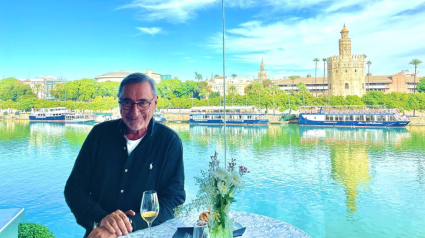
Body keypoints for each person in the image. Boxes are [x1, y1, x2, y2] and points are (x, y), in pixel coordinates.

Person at [64, 73, 185, 238]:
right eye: (127, 102)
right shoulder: (99, 135)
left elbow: (173, 200)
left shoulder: (169, 142)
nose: (135, 112)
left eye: (142, 103)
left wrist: (127, 224)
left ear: (155, 102)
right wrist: (102, 219)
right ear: (119, 102)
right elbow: (74, 189)